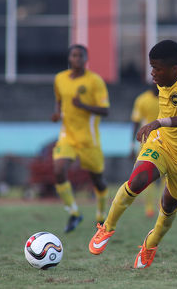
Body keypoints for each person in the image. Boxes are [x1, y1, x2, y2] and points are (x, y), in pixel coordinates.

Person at [89, 40, 177, 269]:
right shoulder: (165, 79)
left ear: (173, 70)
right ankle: (107, 227)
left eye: (157, 69)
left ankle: (150, 245)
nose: (152, 73)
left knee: (169, 206)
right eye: (151, 67)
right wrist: (157, 127)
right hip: (161, 142)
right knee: (138, 180)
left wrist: (158, 121)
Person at [51, 44, 110, 233]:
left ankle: (101, 216)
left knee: (97, 180)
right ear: (69, 58)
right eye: (73, 55)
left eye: (80, 56)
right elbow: (59, 99)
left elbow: (105, 110)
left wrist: (83, 105)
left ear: (86, 59)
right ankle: (74, 213)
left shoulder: (95, 81)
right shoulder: (59, 79)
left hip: (88, 139)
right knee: (59, 169)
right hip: (67, 135)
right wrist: (56, 113)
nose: (77, 59)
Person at [130, 84, 164, 218]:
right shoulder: (143, 100)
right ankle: (150, 208)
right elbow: (135, 123)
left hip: (165, 142)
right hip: (147, 142)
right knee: (147, 176)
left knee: (164, 178)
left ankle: (161, 207)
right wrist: (132, 145)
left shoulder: (166, 98)